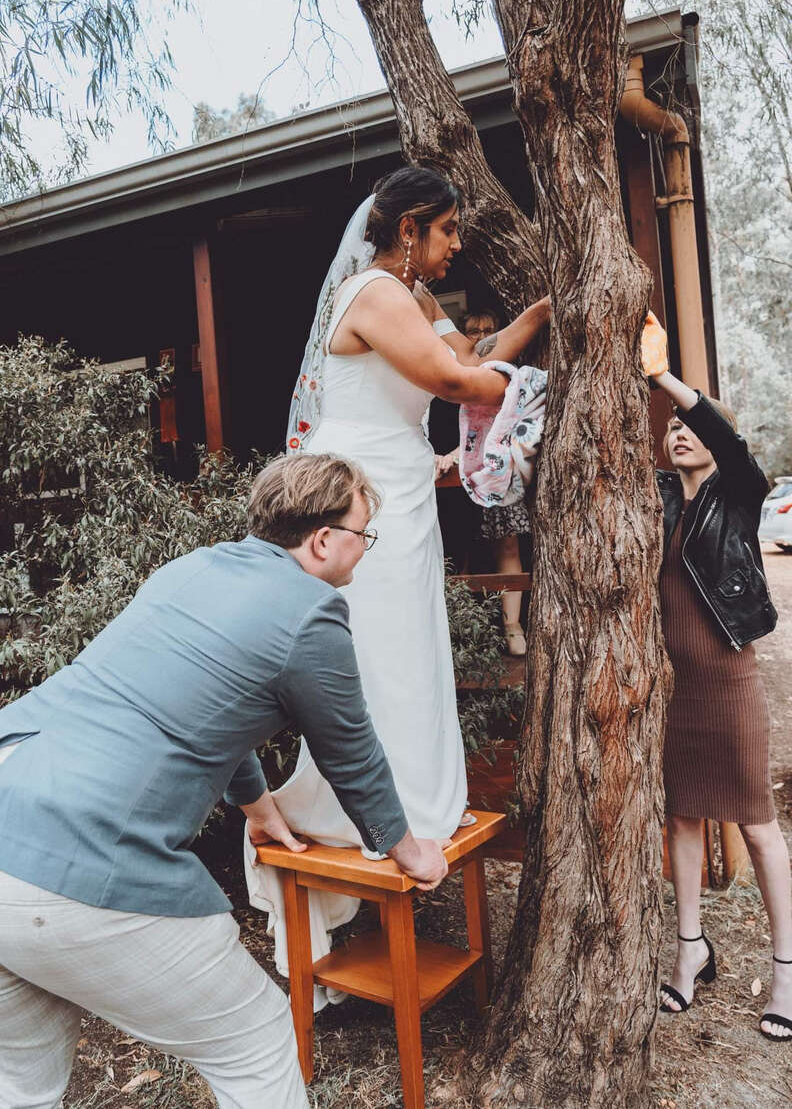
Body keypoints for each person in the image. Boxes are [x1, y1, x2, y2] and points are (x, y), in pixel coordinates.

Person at [0, 453, 449, 1109]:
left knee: (23, 1085)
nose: (364, 549)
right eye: (364, 533)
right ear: (324, 540)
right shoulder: (312, 612)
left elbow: (208, 708)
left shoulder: (192, 569)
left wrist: (259, 808)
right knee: (260, 1043)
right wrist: (410, 851)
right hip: (81, 856)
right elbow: (351, 756)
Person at [274, 166, 549, 966]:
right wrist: (527, 387)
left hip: (406, 486)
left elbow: (477, 352)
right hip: (360, 491)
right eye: (449, 230)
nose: (457, 246)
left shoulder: (417, 301)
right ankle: (368, 810)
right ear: (408, 230)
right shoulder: (372, 293)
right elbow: (453, 380)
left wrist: (536, 317)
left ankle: (418, 801)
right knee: (373, 652)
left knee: (412, 647)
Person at [641, 313, 791, 1041]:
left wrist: (663, 377)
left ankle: (788, 969)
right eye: (669, 425)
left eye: (690, 423)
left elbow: (729, 441)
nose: (678, 430)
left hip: (729, 685)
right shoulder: (661, 501)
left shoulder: (739, 495)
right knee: (683, 817)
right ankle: (690, 952)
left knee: (759, 828)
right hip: (675, 694)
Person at [435, 309, 532, 653]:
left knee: (507, 545)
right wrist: (440, 454)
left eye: (488, 329)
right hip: (455, 481)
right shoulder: (450, 374)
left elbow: (504, 425)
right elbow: (446, 427)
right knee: (456, 549)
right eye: (472, 330)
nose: (480, 335)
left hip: (496, 470)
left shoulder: (509, 376)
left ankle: (512, 626)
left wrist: (458, 453)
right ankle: (460, 633)